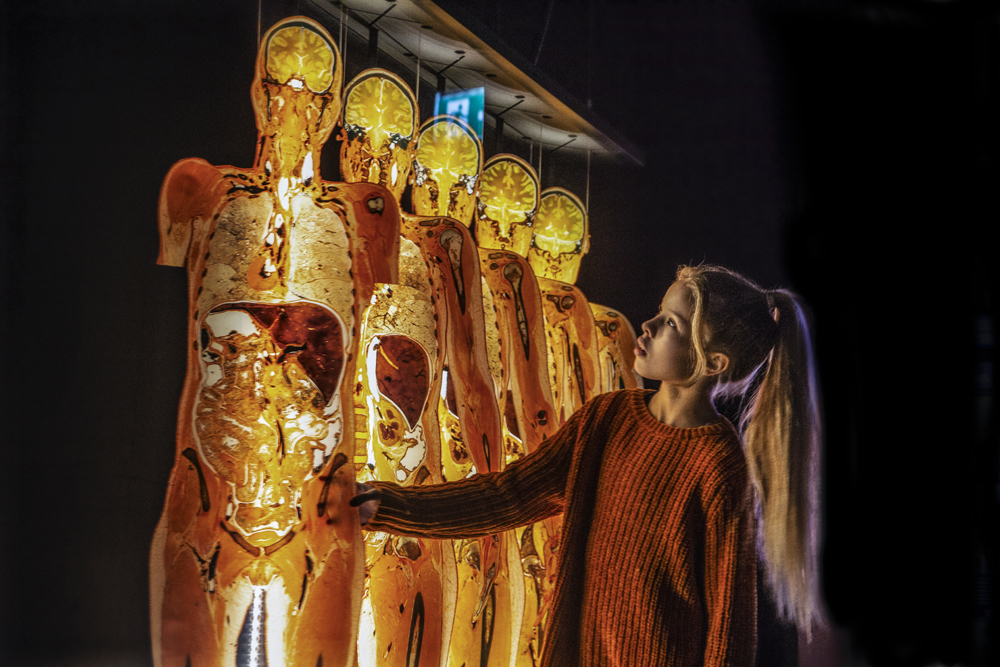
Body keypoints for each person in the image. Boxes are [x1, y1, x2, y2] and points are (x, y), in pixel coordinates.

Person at [352, 264, 823, 667]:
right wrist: (388, 504)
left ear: (713, 362)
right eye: (659, 312)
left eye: (672, 325)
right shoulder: (607, 419)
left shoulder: (719, 468)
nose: (648, 325)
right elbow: (507, 495)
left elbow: (730, 630)